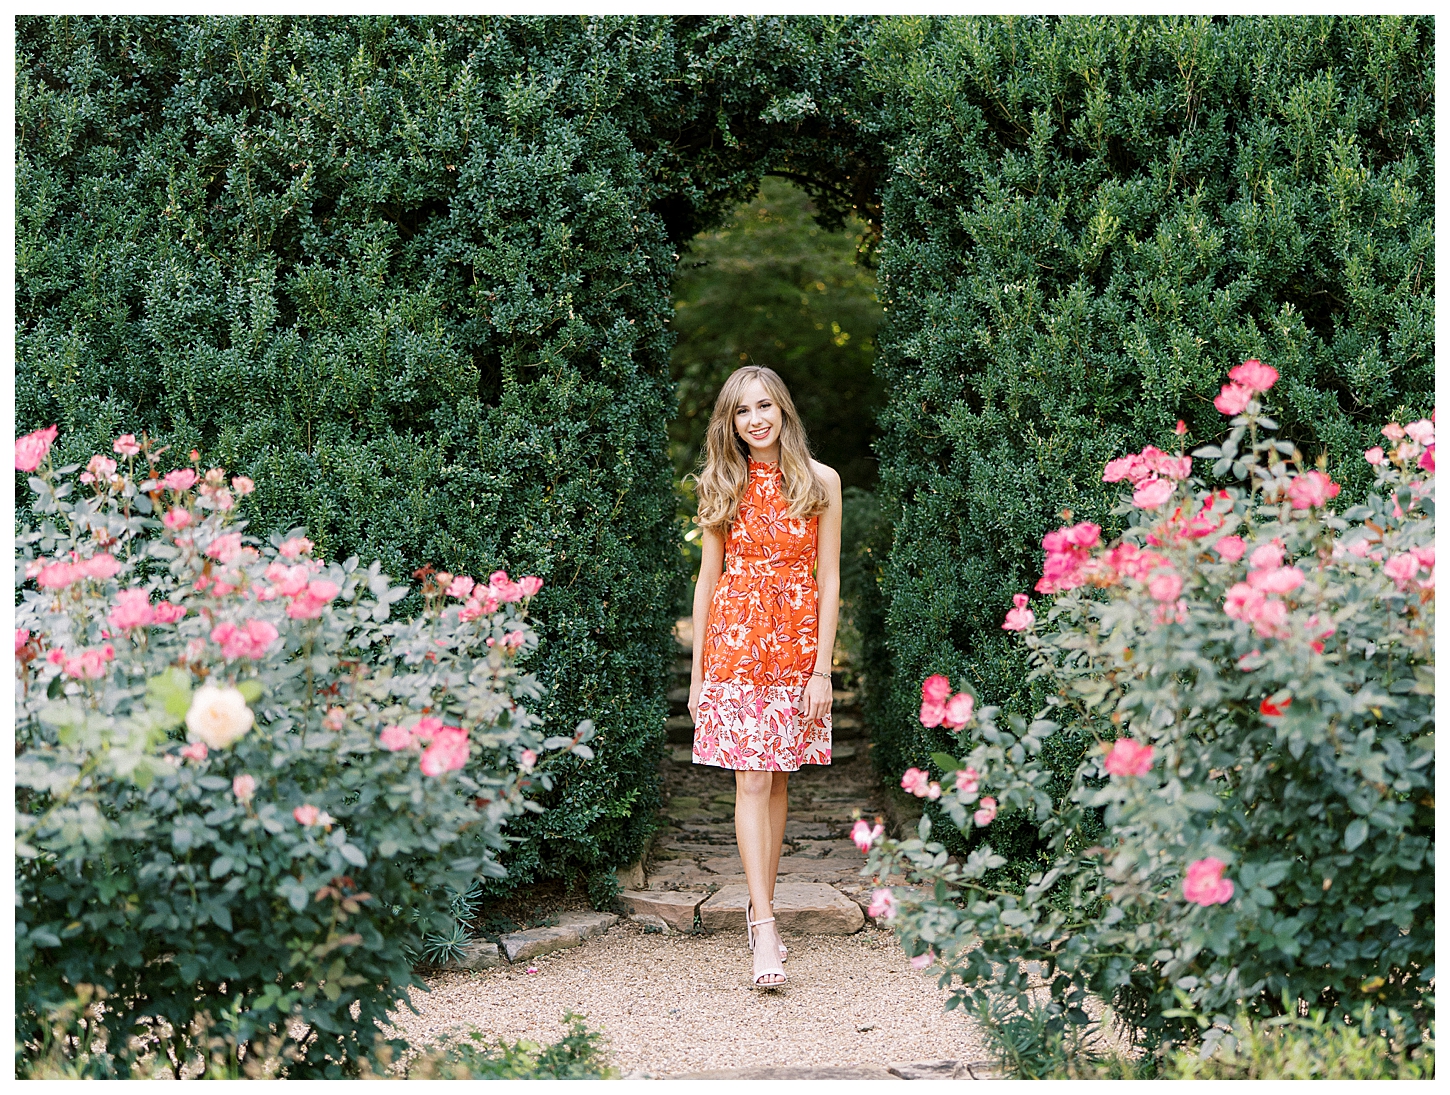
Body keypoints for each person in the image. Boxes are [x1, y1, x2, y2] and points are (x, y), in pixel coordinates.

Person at [686, 365, 842, 989]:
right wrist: (697, 672)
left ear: (784, 411)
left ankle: (760, 903)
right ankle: (765, 928)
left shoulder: (821, 481)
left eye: (765, 406)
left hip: (796, 645)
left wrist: (822, 668)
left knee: (776, 780)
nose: (756, 419)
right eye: (742, 410)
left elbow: (830, 581)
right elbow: (707, 579)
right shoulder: (721, 484)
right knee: (751, 777)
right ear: (730, 422)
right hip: (735, 642)